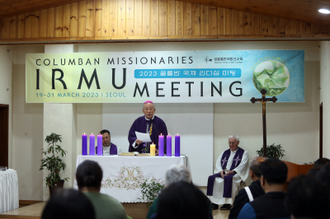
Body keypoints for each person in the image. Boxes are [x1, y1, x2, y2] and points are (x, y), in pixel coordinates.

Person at [206, 135, 249, 210]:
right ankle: (214, 202)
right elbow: (218, 163)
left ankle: (227, 203)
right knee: (212, 178)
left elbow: (243, 165)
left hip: (235, 173)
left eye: (233, 143)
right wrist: (220, 171)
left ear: (238, 142)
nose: (231, 145)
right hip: (223, 172)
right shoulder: (224, 152)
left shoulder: (244, 153)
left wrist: (232, 171)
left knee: (229, 179)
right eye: (229, 142)